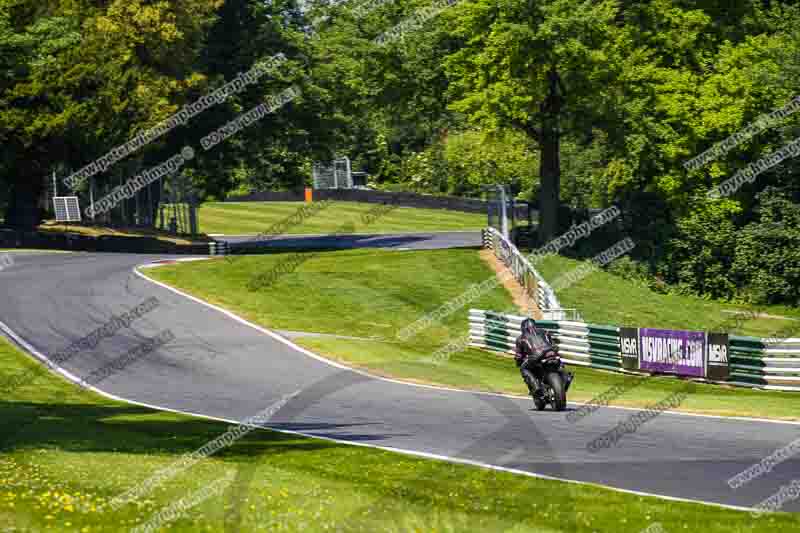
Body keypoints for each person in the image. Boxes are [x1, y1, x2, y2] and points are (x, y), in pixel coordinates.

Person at [515, 318, 556, 399]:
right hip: (551, 352)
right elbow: (552, 343)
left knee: (523, 368)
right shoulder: (545, 331)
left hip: (536, 356)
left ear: (523, 328)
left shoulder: (520, 338)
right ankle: (565, 376)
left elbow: (519, 355)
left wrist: (518, 361)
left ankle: (536, 386)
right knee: (558, 361)